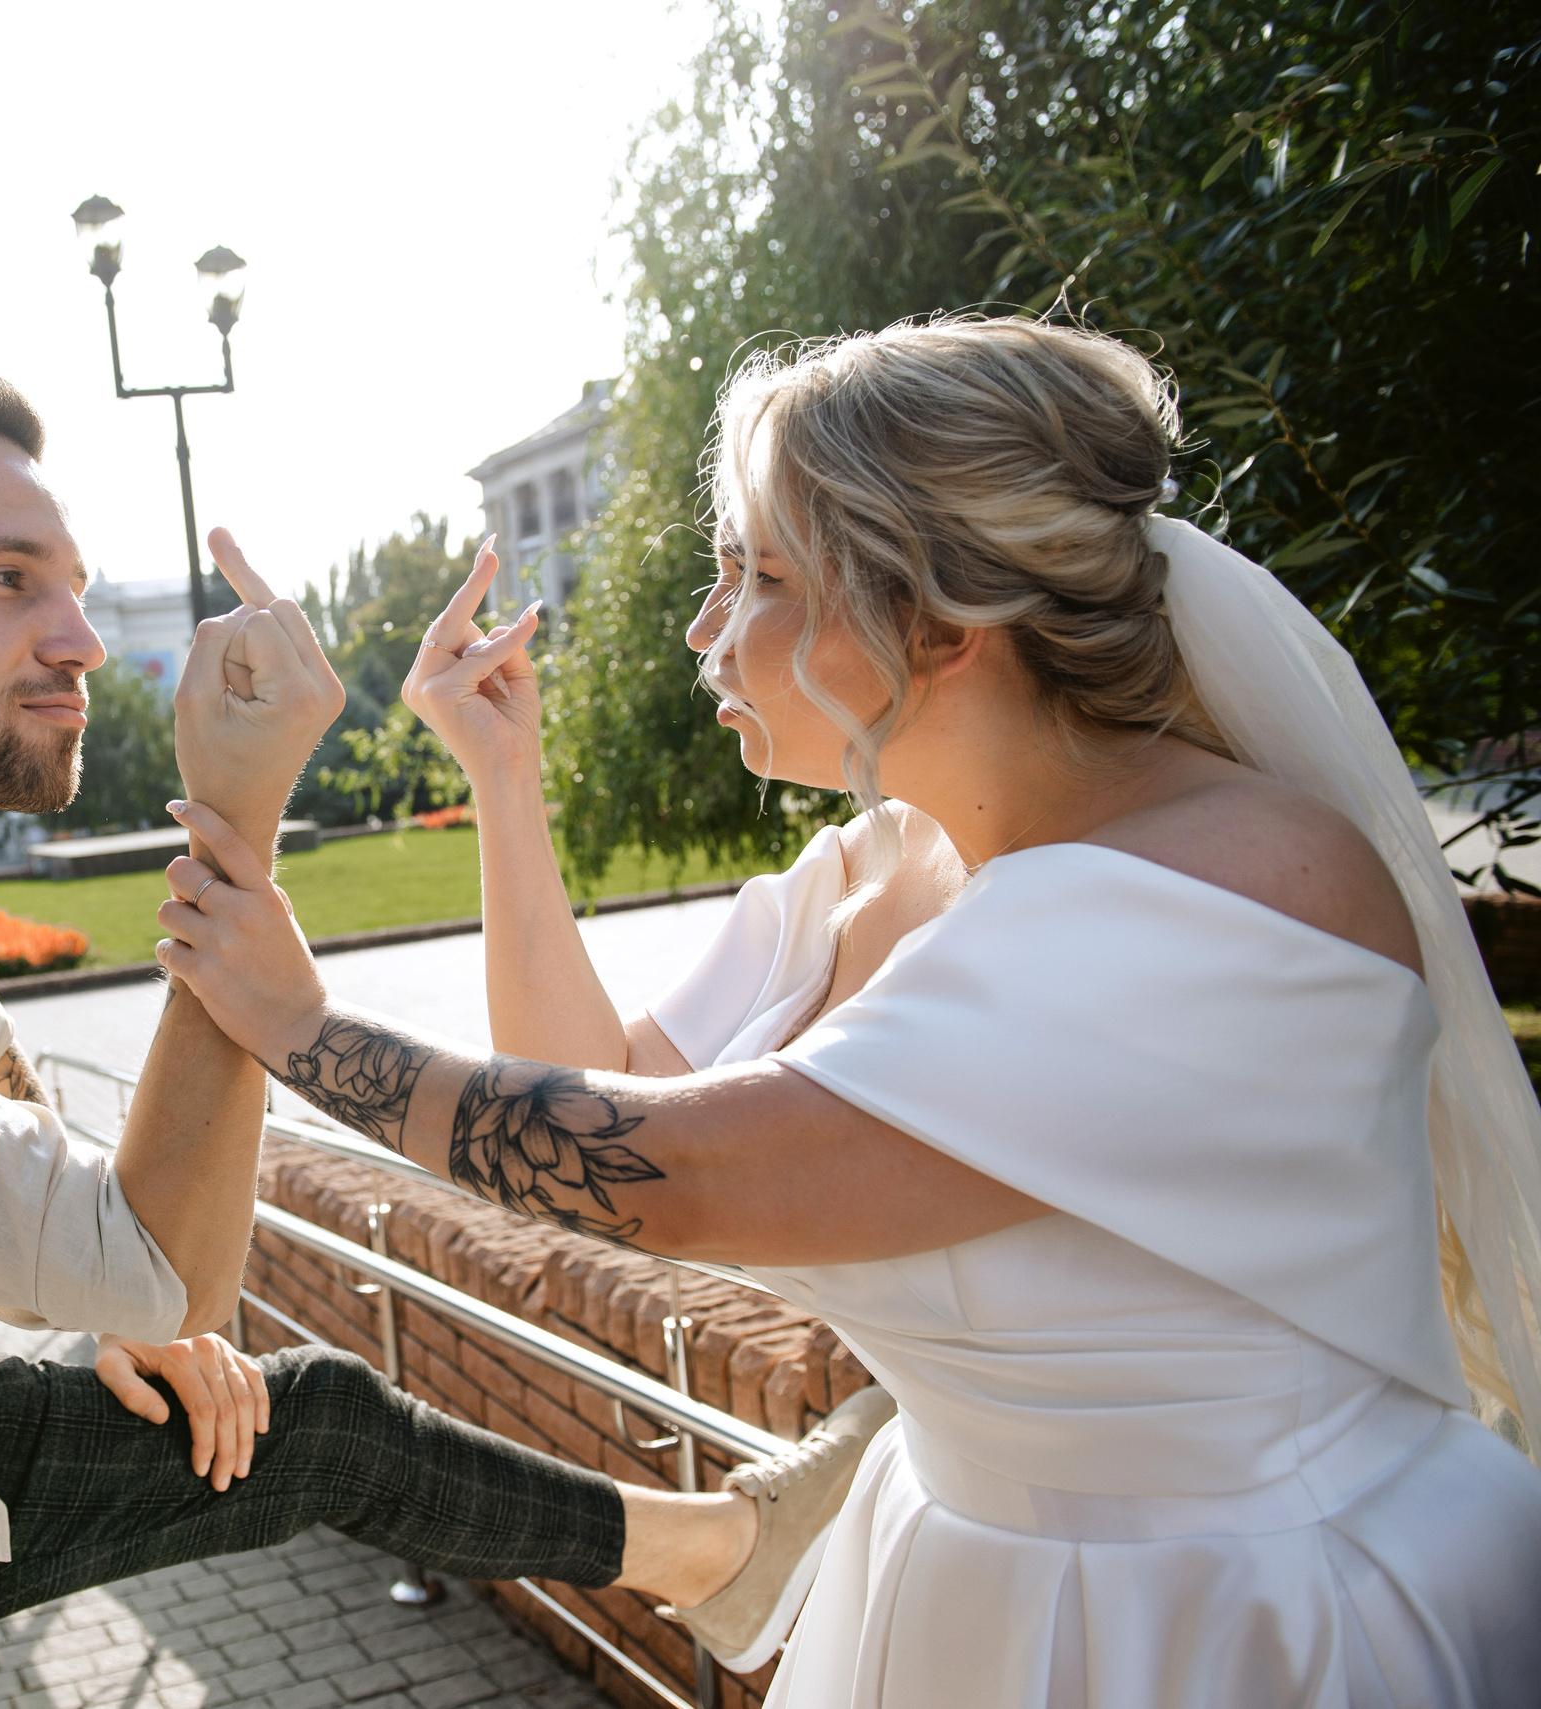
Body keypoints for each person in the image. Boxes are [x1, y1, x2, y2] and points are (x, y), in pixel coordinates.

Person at [154, 316, 1541, 1706]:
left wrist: (302, 1031)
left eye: (756, 574)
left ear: (934, 619)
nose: (706, 628)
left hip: (1248, 1618)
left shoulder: (1241, 885)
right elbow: (595, 1079)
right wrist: (503, 778)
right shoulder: (876, 868)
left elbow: (673, 1174)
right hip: (968, 1591)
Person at [0, 367, 840, 1709]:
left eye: (70, 581)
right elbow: (164, 1264)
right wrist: (231, 824)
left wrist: (120, 1310)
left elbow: (81, 1224)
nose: (83, 638)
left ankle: (720, 1553)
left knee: (307, 1423)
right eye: (8, 580)